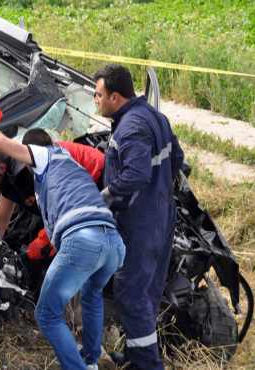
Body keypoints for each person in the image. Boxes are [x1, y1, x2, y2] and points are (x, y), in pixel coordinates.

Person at [0, 108, 126, 370]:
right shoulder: (70, 165)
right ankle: (92, 361)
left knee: (46, 314)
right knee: (92, 295)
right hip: (113, 243)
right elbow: (2, 220)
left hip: (83, 240)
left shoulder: (45, 154)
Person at [93, 64, 184, 369]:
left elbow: (136, 172)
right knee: (147, 294)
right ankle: (135, 358)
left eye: (99, 94)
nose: (96, 100)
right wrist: (159, 193)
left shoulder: (130, 126)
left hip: (139, 221)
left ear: (115, 97)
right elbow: (177, 159)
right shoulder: (155, 116)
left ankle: (148, 365)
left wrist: (103, 198)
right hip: (161, 214)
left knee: (130, 296)